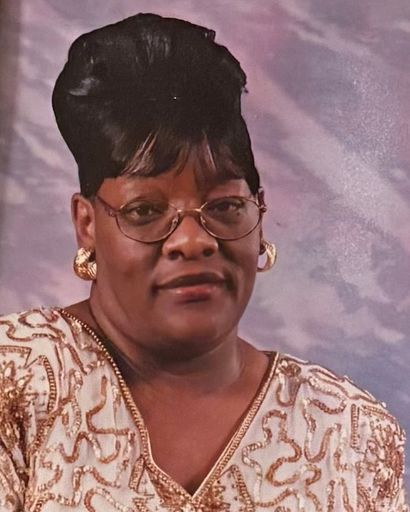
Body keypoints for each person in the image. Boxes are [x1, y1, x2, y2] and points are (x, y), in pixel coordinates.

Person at [0, 12, 407, 512]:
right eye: (145, 211)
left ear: (260, 214)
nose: (192, 241)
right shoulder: (17, 379)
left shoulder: (349, 435)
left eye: (224, 206)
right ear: (87, 223)